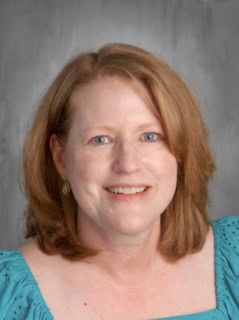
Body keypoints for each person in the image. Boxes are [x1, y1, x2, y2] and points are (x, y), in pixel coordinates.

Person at [0, 43, 238, 320]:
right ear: (61, 158)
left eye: (150, 136)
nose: (128, 164)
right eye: (101, 140)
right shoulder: (8, 296)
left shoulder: (234, 260)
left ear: (181, 152)